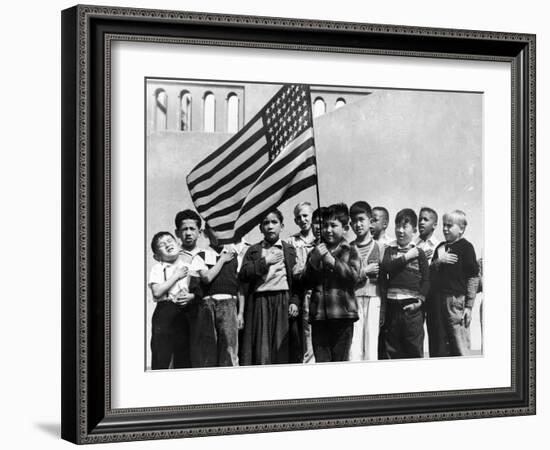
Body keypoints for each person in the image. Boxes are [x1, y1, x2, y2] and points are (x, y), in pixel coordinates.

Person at [238, 209, 299, 365]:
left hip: (283, 300)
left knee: (282, 347)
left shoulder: (289, 250)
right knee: (261, 348)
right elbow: (244, 274)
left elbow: (297, 281)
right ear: (260, 228)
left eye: (274, 222)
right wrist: (265, 261)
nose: (270, 226)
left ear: (282, 226)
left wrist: (294, 301)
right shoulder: (253, 250)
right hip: (260, 301)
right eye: (266, 223)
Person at [303, 203, 360, 362]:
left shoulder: (351, 250)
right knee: (322, 363)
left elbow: (354, 277)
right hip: (319, 316)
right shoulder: (315, 251)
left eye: (333, 225)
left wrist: (331, 260)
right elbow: (306, 283)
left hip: (343, 315)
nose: (328, 230)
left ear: (345, 228)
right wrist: (313, 262)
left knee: (340, 362)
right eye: (325, 225)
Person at [192, 226, 246, 367]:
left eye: (220, 229)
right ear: (205, 233)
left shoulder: (235, 257)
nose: (217, 234)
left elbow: (240, 288)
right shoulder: (201, 256)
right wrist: (222, 260)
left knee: (229, 348)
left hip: (229, 303)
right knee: (208, 349)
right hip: (208, 305)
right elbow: (207, 278)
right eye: (213, 230)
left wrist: (240, 313)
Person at [427, 210, 479, 357]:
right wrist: (438, 261)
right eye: (444, 225)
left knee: (459, 343)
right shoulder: (440, 248)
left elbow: (473, 277)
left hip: (456, 302)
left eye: (449, 226)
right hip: (437, 302)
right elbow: (430, 274)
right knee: (440, 344)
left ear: (461, 229)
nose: (445, 229)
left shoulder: (466, 247)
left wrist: (469, 306)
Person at [148, 231, 202, 370]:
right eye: (161, 244)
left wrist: (191, 297)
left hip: (185, 314)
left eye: (170, 241)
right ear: (156, 256)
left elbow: (199, 291)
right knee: (161, 356)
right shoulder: (158, 268)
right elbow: (157, 291)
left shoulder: (190, 267)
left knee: (184, 357)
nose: (167, 244)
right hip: (164, 313)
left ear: (178, 244)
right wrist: (175, 276)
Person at [380, 208, 429, 359]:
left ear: (414, 230)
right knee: (392, 349)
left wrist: (420, 301)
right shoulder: (390, 250)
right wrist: (406, 257)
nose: (400, 231)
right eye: (397, 226)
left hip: (412, 309)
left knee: (413, 349)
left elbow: (427, 280)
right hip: (392, 307)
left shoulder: (419, 252)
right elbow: (386, 267)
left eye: (404, 227)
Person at [348, 201, 382, 361]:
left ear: (370, 221)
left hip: (375, 298)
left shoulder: (381, 247)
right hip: (353, 300)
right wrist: (364, 271)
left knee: (371, 345)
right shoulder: (347, 249)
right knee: (354, 347)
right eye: (354, 221)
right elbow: (345, 277)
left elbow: (386, 280)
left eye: (361, 219)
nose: (358, 224)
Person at [286, 202, 316, 363]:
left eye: (305, 215)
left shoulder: (321, 239)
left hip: (321, 292)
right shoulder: (292, 241)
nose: (303, 220)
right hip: (304, 293)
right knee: (307, 335)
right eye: (299, 217)